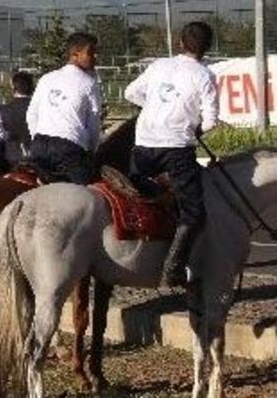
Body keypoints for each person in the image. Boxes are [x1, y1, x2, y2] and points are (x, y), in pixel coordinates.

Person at [124, 21, 218, 288]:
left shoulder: (158, 66)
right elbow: (211, 122)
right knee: (194, 212)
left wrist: (155, 108)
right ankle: (173, 268)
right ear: (207, 49)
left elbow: (131, 92)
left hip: (142, 145)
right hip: (177, 150)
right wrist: (189, 124)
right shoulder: (204, 75)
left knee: (138, 194)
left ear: (180, 43)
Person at [27, 32, 103, 185]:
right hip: (68, 148)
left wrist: (38, 139)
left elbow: (31, 115)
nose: (95, 56)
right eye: (90, 52)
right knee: (88, 195)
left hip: (39, 145)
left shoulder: (46, 78)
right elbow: (94, 124)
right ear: (75, 54)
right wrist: (91, 151)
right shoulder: (89, 83)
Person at [0, 71, 35, 167]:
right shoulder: (40, 109)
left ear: (13, 88)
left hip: (11, 159)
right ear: (32, 88)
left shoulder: (3, 111)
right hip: (36, 156)